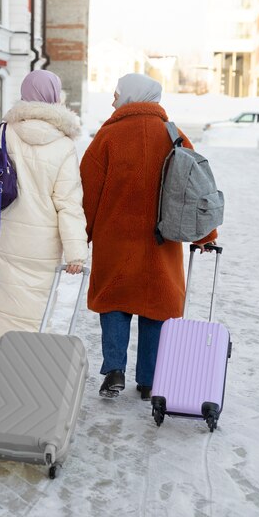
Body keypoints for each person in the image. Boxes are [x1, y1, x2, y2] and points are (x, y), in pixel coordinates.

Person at [79, 73, 217, 400]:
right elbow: (196, 190)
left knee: (114, 303)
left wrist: (79, 236)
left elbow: (88, 194)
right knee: (157, 307)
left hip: (115, 242)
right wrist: (204, 234)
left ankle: (114, 370)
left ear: (129, 95)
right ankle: (149, 380)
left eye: (116, 93)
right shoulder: (174, 135)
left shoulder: (107, 137)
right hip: (162, 242)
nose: (113, 100)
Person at [0, 70, 88, 338]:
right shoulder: (64, 144)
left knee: (4, 308)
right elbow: (68, 204)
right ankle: (27, 367)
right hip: (43, 246)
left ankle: (6, 361)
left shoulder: (1, 134)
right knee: (35, 310)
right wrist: (75, 252)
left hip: (4, 237)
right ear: (55, 96)